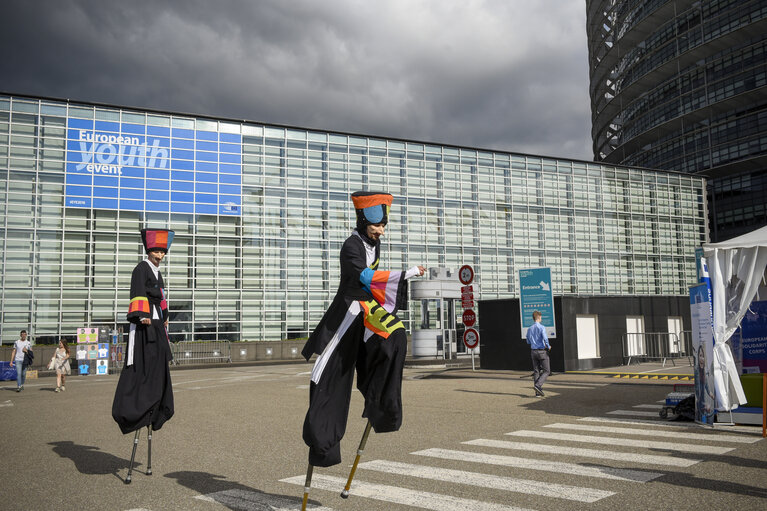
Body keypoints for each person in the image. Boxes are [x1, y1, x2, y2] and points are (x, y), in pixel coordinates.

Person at [301, 191, 426, 468]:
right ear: (362, 221)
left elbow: (374, 287)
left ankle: (380, 404)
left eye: (383, 226)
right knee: (329, 374)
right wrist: (407, 273)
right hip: (347, 313)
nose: (380, 231)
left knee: (394, 337)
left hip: (368, 310)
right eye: (376, 226)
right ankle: (324, 443)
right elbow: (366, 277)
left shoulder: (374, 244)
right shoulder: (351, 246)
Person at [112, 228, 175, 435]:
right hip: (146, 322)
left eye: (163, 251)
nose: (162, 254)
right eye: (158, 250)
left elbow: (162, 296)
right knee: (146, 359)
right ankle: (141, 404)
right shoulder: (141, 268)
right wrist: (142, 314)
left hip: (157, 320)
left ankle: (158, 402)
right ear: (150, 250)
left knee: (160, 359)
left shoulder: (157, 271)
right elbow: (138, 290)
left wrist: (165, 317)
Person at [526, 310, 551, 396]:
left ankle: (537, 393)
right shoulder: (541, 327)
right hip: (541, 351)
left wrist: (533, 342)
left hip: (533, 351)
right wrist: (548, 346)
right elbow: (545, 338)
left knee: (536, 371)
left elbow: (528, 340)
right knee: (547, 370)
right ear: (539, 317)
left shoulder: (530, 328)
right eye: (541, 317)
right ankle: (538, 385)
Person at [695, 344, 716, 424]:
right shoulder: (697, 370)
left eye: (703, 356)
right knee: (702, 417)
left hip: (705, 401)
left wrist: (713, 396)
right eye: (700, 355)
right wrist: (697, 398)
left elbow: (708, 389)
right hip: (699, 400)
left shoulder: (705, 371)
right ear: (698, 357)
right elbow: (697, 387)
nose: (702, 358)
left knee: (708, 416)